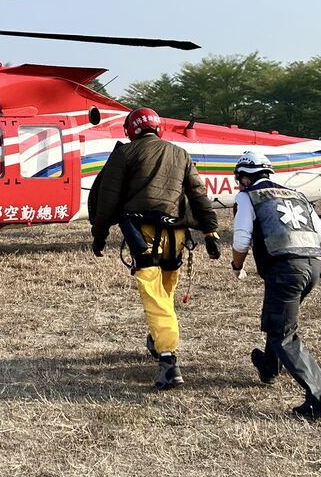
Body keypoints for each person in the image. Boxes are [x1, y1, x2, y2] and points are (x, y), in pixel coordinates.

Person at [89, 107, 222, 390]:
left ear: (131, 130)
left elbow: (106, 201)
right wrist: (211, 232)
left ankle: (168, 358)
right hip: (176, 235)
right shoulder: (180, 153)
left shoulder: (124, 154)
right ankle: (156, 337)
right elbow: (198, 194)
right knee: (165, 291)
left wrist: (99, 236)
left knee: (154, 294)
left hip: (143, 235)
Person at [229, 151, 321, 420]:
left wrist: (237, 266)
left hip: (285, 271)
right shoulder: (298, 196)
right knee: (279, 320)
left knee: (282, 334)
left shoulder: (247, 196)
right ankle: (269, 367)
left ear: (244, 177)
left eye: (239, 180)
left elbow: (241, 241)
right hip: (312, 269)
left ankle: (320, 398)